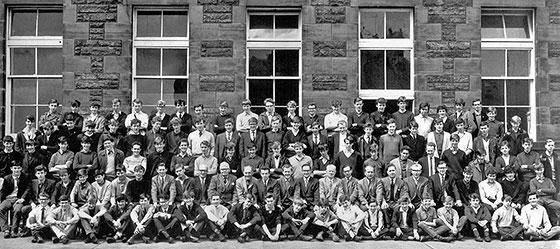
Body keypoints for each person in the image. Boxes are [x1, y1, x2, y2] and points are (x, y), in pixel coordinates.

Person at [0, 161, 31, 238]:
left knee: (17, 210)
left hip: (19, 198)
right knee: (0, 209)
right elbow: (3, 191)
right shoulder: (7, 178)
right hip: (9, 198)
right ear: (11, 169)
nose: (16, 170)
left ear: (21, 168)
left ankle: (14, 230)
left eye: (18, 168)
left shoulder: (26, 177)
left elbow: (28, 189)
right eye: (15, 168)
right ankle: (6, 230)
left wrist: (22, 198)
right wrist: (1, 200)